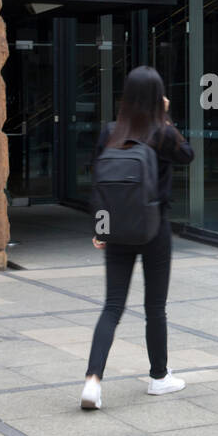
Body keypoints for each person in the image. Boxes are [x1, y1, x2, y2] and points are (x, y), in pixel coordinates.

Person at [81, 66, 194, 410]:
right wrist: (166, 117)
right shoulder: (163, 133)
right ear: (159, 97)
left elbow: (99, 181)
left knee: (112, 306)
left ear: (127, 96)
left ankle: (92, 381)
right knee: (154, 307)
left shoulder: (110, 132)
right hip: (154, 227)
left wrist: (100, 229)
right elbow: (188, 155)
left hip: (117, 229)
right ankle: (159, 378)